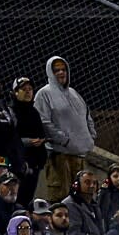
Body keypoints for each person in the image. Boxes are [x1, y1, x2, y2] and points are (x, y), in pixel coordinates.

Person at [35, 56, 94, 206]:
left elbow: (86, 115)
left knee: (81, 197)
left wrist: (91, 136)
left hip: (78, 156)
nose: (61, 73)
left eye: (63, 69)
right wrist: (64, 140)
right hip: (59, 156)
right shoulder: (44, 94)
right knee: (60, 199)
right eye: (56, 70)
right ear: (50, 72)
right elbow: (44, 121)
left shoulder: (74, 93)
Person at [10, 78, 45, 205]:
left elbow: (40, 132)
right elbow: (10, 138)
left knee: (27, 199)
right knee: (17, 199)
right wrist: (28, 142)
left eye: (30, 89)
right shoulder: (11, 112)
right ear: (15, 92)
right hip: (19, 165)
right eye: (23, 89)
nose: (28, 92)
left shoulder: (34, 112)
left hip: (34, 164)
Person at [62, 171, 103, 235]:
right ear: (77, 185)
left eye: (94, 183)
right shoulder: (70, 204)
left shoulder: (94, 205)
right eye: (87, 182)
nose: (92, 186)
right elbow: (73, 234)